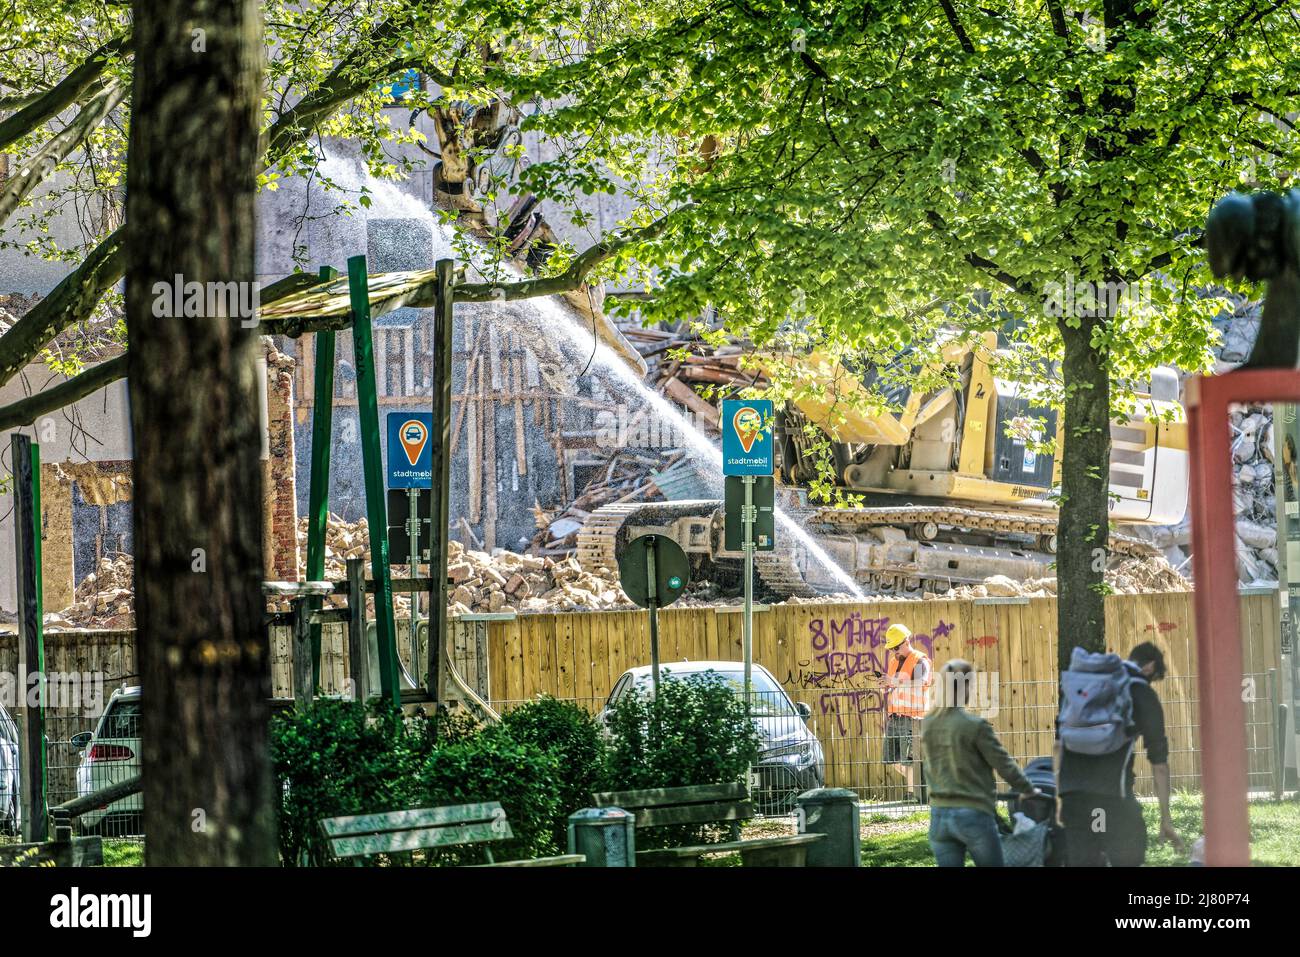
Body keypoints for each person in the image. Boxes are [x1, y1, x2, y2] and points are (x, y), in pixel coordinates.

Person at [1056, 641, 1185, 866]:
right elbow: (1159, 764)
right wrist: (1166, 818)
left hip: (1072, 797)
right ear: (1150, 667)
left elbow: (1059, 746)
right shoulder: (1141, 692)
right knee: (1130, 853)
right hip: (1112, 796)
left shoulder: (1082, 689)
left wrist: (1060, 798)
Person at [922, 659, 1040, 866]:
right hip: (972, 813)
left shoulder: (928, 724)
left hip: (939, 815)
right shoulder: (974, 726)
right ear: (965, 687)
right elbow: (1003, 763)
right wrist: (1027, 789)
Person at [878, 623, 933, 802]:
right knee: (893, 760)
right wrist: (886, 685)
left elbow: (920, 683)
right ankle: (922, 782)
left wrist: (893, 681)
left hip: (913, 717)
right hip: (895, 717)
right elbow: (895, 684)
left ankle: (912, 796)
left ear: (906, 641)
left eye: (896, 647)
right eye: (891, 648)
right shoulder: (894, 662)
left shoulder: (919, 660)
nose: (894, 651)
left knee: (909, 760)